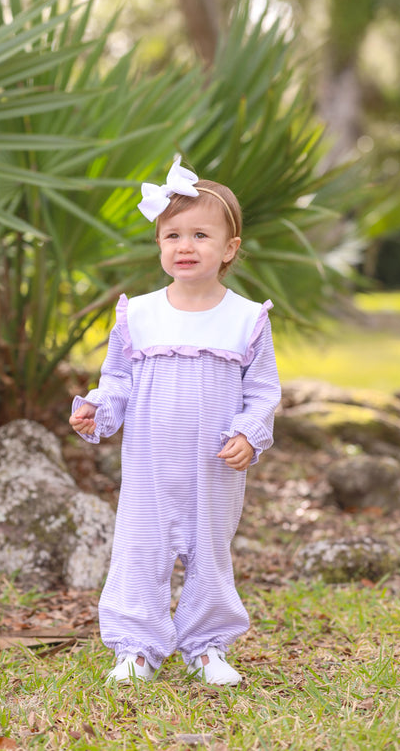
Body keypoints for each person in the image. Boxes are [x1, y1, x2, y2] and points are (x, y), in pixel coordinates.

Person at [70, 156, 281, 686]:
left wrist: (248, 434)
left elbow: (263, 391)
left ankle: (207, 646)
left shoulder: (246, 317)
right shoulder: (137, 313)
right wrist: (99, 409)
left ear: (229, 249)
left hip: (214, 465)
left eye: (201, 235)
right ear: (160, 244)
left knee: (210, 551)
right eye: (172, 235)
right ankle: (138, 647)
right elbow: (117, 379)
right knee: (141, 548)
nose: (185, 246)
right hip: (149, 463)